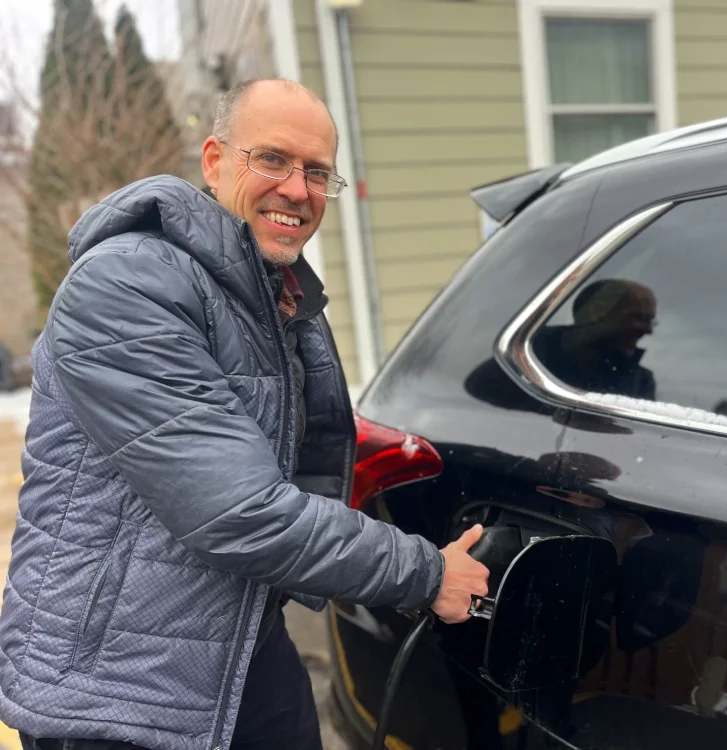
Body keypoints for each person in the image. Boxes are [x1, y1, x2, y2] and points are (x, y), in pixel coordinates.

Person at [0, 78, 489, 750]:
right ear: (213, 160)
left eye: (318, 172)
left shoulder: (280, 298)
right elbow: (240, 511)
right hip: (117, 687)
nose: (297, 189)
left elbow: (304, 469)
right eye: (273, 160)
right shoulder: (127, 284)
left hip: (240, 643)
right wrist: (425, 572)